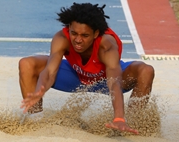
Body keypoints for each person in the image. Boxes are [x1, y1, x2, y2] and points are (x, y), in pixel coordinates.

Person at [19, 3, 154, 135]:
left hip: (105, 79)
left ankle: (130, 123)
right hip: (76, 76)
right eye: (74, 33)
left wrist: (118, 117)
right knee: (26, 63)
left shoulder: (106, 46)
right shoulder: (61, 38)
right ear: (69, 28)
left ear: (95, 34)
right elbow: (49, 72)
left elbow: (114, 82)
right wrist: (39, 91)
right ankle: (35, 119)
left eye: (85, 36)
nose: (78, 40)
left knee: (146, 70)